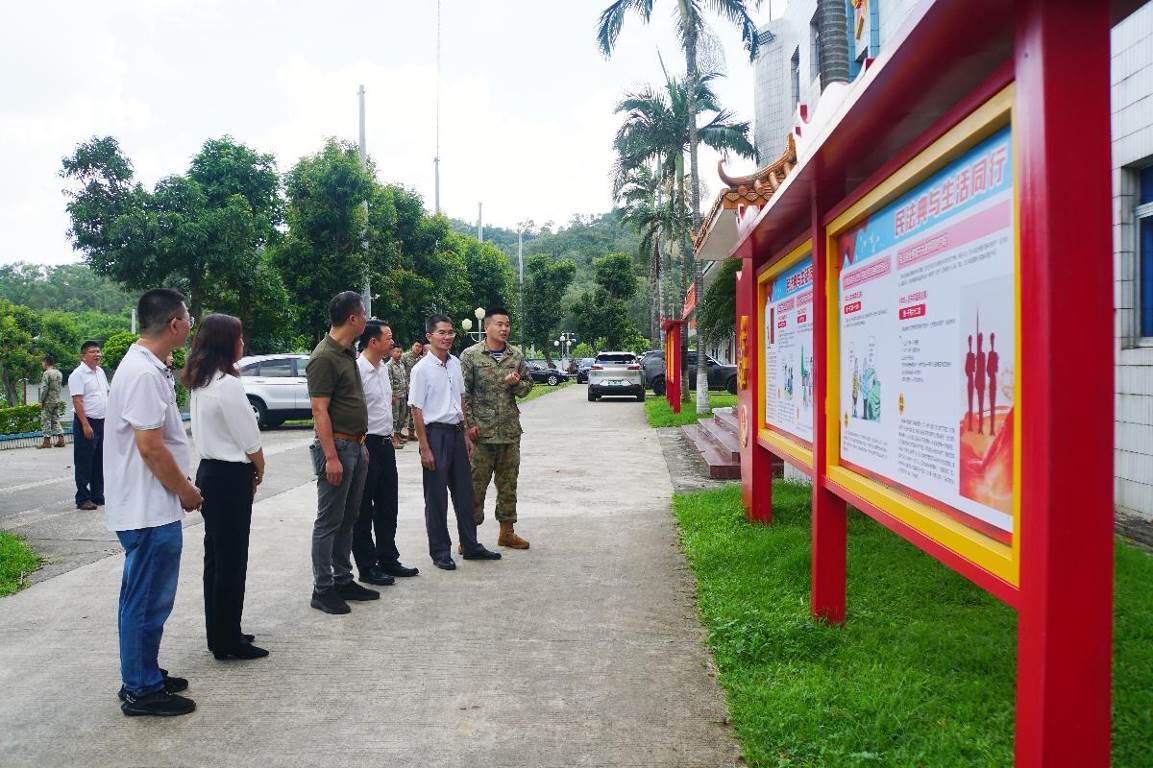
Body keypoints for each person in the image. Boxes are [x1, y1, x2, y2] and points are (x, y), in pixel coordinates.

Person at [104, 289, 200, 716]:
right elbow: (150, 447)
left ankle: (144, 672)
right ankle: (140, 689)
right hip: (147, 508)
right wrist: (185, 490)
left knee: (149, 599)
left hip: (152, 506)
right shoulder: (142, 373)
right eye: (188, 318)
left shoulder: (149, 367)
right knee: (146, 600)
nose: (191, 324)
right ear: (174, 324)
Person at [185, 314, 269, 661]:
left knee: (217, 558)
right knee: (232, 559)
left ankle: (220, 631)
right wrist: (260, 467)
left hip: (210, 473)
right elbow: (248, 437)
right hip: (230, 475)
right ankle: (227, 640)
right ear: (226, 342)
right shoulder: (228, 384)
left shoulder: (202, 380)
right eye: (239, 336)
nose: (243, 343)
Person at [408, 315, 502, 570]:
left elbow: (460, 400)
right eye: (441, 332)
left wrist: (465, 435)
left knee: (464, 493)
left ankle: (470, 545)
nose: (447, 336)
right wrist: (424, 447)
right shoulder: (421, 370)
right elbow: (416, 410)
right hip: (435, 435)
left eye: (450, 332)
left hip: (456, 433)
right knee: (436, 497)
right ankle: (440, 552)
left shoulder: (455, 364)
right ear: (429, 336)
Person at [306, 291, 379, 614]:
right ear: (352, 318)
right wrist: (331, 456)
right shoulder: (324, 356)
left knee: (348, 518)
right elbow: (319, 411)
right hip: (337, 447)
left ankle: (342, 578)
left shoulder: (346, 352)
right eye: (363, 314)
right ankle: (322, 589)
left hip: (355, 445)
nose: (366, 319)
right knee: (329, 521)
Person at [460, 307, 533, 550]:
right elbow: (463, 393)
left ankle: (507, 532)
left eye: (507, 324)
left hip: (509, 433)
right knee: (474, 487)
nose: (504, 329)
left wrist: (516, 384)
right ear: (488, 327)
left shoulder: (516, 356)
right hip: (481, 434)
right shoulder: (471, 355)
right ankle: (468, 538)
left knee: (508, 485)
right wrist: (469, 425)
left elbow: (527, 387)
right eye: (499, 324)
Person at [354, 319, 420, 586]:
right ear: (373, 341)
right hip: (364, 444)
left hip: (385, 444)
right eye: (388, 338)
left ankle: (388, 558)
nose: (392, 342)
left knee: (387, 505)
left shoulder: (382, 368)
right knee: (363, 509)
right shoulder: (357, 371)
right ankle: (367, 566)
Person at [69, 340, 110, 510]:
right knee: (84, 460)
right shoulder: (78, 374)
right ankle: (83, 498)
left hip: (102, 421)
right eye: (93, 352)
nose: (97, 355)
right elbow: (77, 400)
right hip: (86, 421)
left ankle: (97, 494)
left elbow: (107, 394)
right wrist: (85, 424)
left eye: (98, 351)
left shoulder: (100, 372)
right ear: (83, 356)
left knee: (99, 460)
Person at [400, 341, 425, 440]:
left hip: (416, 388)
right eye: (416, 345)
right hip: (404, 387)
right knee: (403, 411)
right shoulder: (404, 357)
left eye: (420, 346)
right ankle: (398, 433)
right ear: (412, 346)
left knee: (414, 410)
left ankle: (411, 432)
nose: (418, 348)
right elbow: (400, 370)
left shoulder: (421, 359)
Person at [38, 355, 65, 449]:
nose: (42, 364)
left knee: (45, 419)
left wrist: (41, 400)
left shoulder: (46, 373)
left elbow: (44, 388)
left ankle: (46, 442)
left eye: (42, 362)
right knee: (56, 419)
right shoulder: (59, 373)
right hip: (57, 399)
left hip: (48, 401)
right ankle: (61, 439)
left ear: (46, 362)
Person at [387, 344, 409, 449]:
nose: (399, 354)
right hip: (395, 395)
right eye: (397, 352)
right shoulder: (389, 365)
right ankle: (393, 438)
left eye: (400, 352)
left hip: (403, 394)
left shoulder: (401, 364)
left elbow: (405, 378)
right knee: (395, 417)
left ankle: (398, 434)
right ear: (391, 352)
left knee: (402, 415)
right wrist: (391, 395)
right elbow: (389, 381)